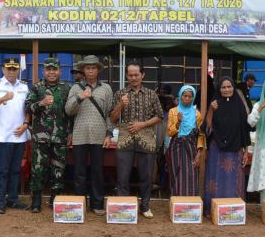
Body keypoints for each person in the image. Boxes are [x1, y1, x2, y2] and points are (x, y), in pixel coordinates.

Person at [109, 62, 163, 218]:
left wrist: (142, 124)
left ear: (142, 75)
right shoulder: (120, 94)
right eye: (130, 75)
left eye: (136, 75)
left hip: (146, 139)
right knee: (123, 175)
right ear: (127, 76)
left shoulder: (151, 94)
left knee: (146, 175)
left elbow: (159, 116)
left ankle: (145, 206)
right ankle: (123, 207)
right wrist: (120, 105)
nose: (133, 78)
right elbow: (112, 118)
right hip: (125, 139)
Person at [65, 55, 113, 215]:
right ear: (83, 70)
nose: (91, 70)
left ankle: (97, 204)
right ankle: (80, 204)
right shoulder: (75, 88)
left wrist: (109, 134)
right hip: (79, 135)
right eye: (87, 68)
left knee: (97, 171)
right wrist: (80, 97)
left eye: (93, 68)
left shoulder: (106, 88)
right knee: (79, 172)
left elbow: (110, 114)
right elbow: (68, 110)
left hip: (99, 135)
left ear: (98, 70)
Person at [25, 57, 71, 213]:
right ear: (44, 71)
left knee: (58, 169)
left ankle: (55, 199)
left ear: (60, 71)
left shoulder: (66, 88)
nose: (52, 72)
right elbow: (27, 108)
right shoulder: (36, 88)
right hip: (41, 137)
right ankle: (36, 200)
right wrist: (41, 103)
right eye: (48, 69)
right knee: (38, 169)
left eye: (55, 69)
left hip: (60, 137)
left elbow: (71, 112)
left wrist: (69, 131)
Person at [0, 57, 30, 214]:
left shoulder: (24, 87)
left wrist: (25, 124)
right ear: (3, 69)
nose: (12, 71)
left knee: (15, 170)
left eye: (14, 68)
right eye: (9, 68)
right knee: (3, 171)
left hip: (19, 135)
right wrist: (3, 98)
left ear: (18, 69)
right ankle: (0, 201)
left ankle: (12, 199)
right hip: (3, 135)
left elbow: (28, 110)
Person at [204, 77, 252, 215]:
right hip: (216, 149)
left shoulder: (239, 105)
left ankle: (234, 211)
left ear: (233, 88)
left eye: (229, 87)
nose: (226, 90)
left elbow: (244, 129)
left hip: (235, 149)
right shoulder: (214, 103)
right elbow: (207, 127)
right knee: (216, 178)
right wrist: (211, 110)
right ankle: (213, 210)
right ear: (219, 89)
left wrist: (245, 150)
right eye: (223, 87)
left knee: (233, 180)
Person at [165, 85, 205, 196]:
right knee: (176, 174)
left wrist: (199, 154)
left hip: (191, 148)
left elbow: (201, 135)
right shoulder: (173, 111)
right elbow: (169, 132)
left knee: (191, 174)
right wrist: (178, 122)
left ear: (193, 98)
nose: (187, 98)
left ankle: (190, 206)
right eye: (184, 96)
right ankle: (176, 204)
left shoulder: (197, 113)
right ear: (180, 96)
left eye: (190, 96)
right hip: (176, 148)